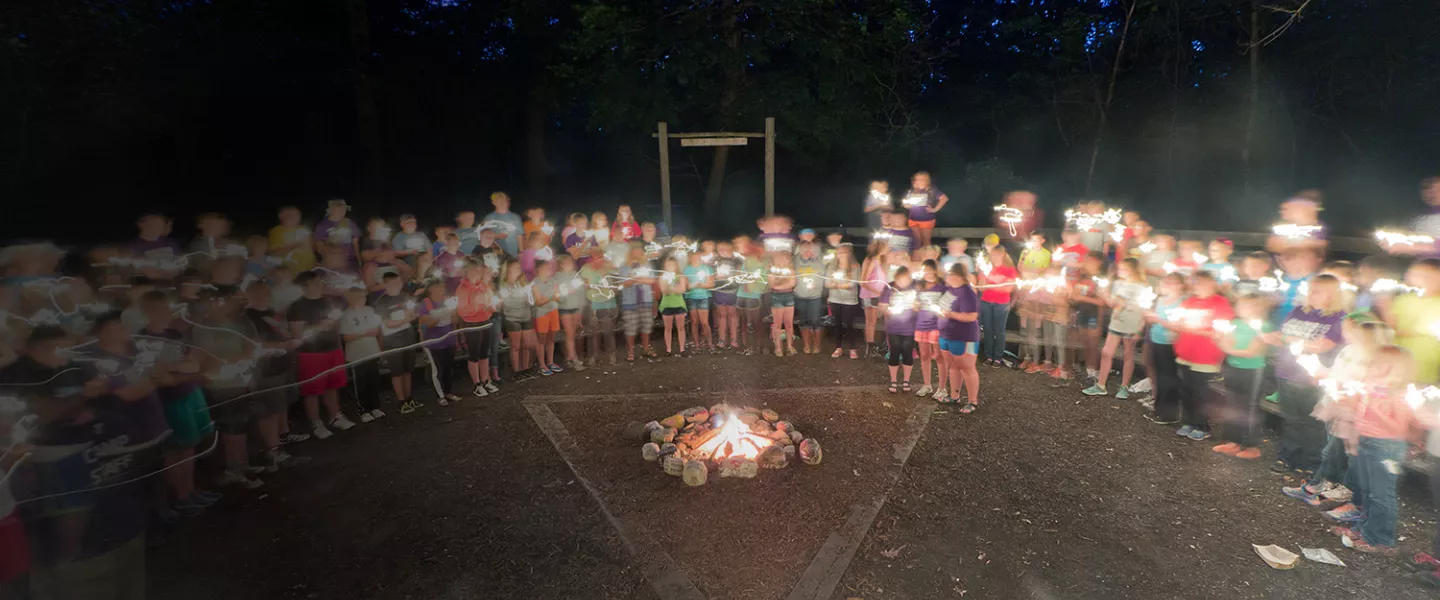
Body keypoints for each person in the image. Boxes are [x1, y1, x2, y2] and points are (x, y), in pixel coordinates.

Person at [1283, 315, 1389, 505]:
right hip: (1336, 406)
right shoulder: (1348, 351)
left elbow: (1361, 384)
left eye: (1352, 331)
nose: (1347, 334)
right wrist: (1318, 370)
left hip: (1353, 413)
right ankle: (1322, 487)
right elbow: (1336, 371)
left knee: (1337, 452)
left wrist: (1339, 383)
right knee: (1332, 449)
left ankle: (1325, 490)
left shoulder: (1374, 359)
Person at [1338, 346, 1423, 554]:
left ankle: (1380, 538)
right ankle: (1365, 528)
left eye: (1379, 363)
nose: (1372, 366)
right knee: (1367, 490)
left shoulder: (1401, 394)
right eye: (1373, 362)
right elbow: (1360, 410)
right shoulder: (1374, 387)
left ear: (1398, 369)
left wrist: (1375, 409)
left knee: (1381, 494)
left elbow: (1399, 429)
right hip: (1367, 441)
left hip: (1387, 447)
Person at [1266, 274, 1346, 473]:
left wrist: (1287, 338)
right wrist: (1279, 338)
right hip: (1286, 371)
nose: (1311, 295)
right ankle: (1288, 456)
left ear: (1332, 294)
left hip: (1312, 377)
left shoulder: (1338, 317)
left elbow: (1323, 346)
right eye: (1310, 290)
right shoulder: (1298, 311)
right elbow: (1280, 337)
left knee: (1313, 422)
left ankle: (1312, 462)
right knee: (1291, 418)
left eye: (1317, 291)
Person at [287, 270, 354, 439]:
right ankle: (316, 422)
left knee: (333, 385)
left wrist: (339, 347)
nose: (321, 285)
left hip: (332, 349)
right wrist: (318, 327)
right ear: (306, 285)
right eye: (316, 282)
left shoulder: (327, 301)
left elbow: (336, 325)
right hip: (311, 354)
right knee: (312, 389)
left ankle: (335, 415)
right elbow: (296, 335)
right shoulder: (297, 306)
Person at [1170, 270, 1234, 441]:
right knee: (1186, 389)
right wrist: (1177, 324)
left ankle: (1202, 425)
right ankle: (1188, 421)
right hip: (1186, 351)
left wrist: (1194, 330)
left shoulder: (1220, 303)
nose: (1197, 287)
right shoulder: (1189, 302)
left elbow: (1218, 332)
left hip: (1205, 354)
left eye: (1201, 284)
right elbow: (1178, 322)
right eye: (1195, 283)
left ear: (1212, 284)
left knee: (1200, 391)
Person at [1211, 294, 1274, 460]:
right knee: (1232, 403)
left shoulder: (1263, 327)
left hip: (1252, 371)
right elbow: (1224, 341)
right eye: (1241, 306)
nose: (1243, 310)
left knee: (1250, 407)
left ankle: (1252, 445)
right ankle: (1233, 441)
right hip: (1233, 368)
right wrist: (1222, 341)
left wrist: (1228, 348)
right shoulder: (1235, 324)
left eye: (1248, 306)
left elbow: (1252, 352)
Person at [1083, 258, 1147, 398]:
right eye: (1119, 269)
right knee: (1106, 352)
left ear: (1132, 270)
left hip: (1131, 323)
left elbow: (1116, 304)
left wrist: (1104, 294)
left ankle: (1124, 387)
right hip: (1116, 323)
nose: (1119, 271)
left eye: (1123, 269)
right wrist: (1105, 291)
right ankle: (1101, 385)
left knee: (1127, 354)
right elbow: (1112, 301)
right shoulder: (1118, 283)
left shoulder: (1139, 286)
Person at [937, 263, 981, 412]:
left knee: (967, 368)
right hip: (946, 334)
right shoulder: (949, 289)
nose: (947, 277)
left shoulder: (967, 293)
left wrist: (951, 314)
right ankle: (954, 396)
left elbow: (972, 316)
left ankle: (972, 401)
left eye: (950, 274)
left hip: (964, 336)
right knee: (953, 366)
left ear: (958, 276)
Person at [339, 287, 385, 421]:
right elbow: (345, 337)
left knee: (373, 380)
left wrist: (379, 342)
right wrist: (363, 333)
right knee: (360, 382)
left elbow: (377, 329)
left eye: (365, 297)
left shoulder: (369, 310)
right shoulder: (346, 315)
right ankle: (363, 409)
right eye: (361, 297)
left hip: (371, 350)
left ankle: (375, 407)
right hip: (356, 354)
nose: (364, 300)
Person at [456, 261, 498, 396]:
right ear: (467, 271)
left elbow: (491, 304)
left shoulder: (484, 286)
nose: (477, 274)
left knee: (484, 353)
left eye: (479, 271)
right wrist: (475, 304)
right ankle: (476, 383)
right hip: (472, 324)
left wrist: (490, 307)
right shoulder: (463, 289)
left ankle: (485, 380)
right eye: (474, 270)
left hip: (485, 321)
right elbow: (462, 312)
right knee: (474, 354)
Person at [498, 259, 542, 379]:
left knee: (526, 345)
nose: (519, 270)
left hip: (526, 316)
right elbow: (507, 304)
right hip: (512, 319)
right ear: (508, 270)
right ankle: (516, 371)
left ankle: (526, 368)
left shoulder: (523, 283)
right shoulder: (504, 286)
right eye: (516, 268)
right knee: (516, 346)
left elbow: (530, 302)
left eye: (519, 268)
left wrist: (530, 295)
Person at [417, 281, 459, 406]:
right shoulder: (425, 304)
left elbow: (456, 319)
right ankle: (440, 395)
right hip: (434, 342)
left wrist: (452, 313)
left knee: (448, 367)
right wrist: (436, 319)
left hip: (449, 339)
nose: (441, 290)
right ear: (430, 289)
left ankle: (449, 392)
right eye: (437, 287)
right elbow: (425, 323)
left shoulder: (448, 301)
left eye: (442, 287)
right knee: (437, 369)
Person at [913, 260, 949, 399]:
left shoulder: (942, 286)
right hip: (921, 324)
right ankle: (927, 384)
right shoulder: (919, 286)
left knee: (939, 356)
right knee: (924, 354)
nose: (927, 273)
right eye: (924, 270)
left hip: (937, 325)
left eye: (929, 270)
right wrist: (914, 305)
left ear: (935, 270)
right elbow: (916, 305)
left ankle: (942, 387)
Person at [977, 247, 1017, 368]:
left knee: (999, 331)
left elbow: (1008, 289)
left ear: (1003, 255)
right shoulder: (986, 269)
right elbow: (981, 288)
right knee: (988, 330)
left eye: (997, 254)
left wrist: (990, 286)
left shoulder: (1009, 270)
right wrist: (994, 284)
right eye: (993, 254)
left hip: (1001, 303)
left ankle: (998, 357)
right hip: (986, 302)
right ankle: (989, 356)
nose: (994, 257)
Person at [879, 266, 918, 393]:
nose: (904, 283)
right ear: (896, 279)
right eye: (901, 280)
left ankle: (906, 380)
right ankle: (894, 380)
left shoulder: (914, 289)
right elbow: (882, 307)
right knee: (894, 350)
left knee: (908, 351)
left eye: (906, 280)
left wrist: (915, 306)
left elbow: (919, 307)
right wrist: (889, 310)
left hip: (910, 327)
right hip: (894, 327)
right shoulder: (889, 288)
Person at [579, 247, 619, 366]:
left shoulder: (608, 268)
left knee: (608, 331)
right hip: (593, 302)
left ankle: (611, 354)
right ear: (592, 258)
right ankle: (593, 356)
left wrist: (613, 290)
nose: (599, 260)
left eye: (601, 257)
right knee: (593, 332)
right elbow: (583, 286)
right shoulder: (585, 269)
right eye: (597, 257)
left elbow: (615, 284)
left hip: (607, 302)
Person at [617, 247, 657, 362]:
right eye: (634, 251)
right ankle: (630, 351)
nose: (637, 253)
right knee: (631, 328)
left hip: (646, 300)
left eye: (639, 251)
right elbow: (624, 283)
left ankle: (646, 348)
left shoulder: (647, 265)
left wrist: (636, 279)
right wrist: (639, 279)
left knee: (646, 326)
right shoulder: (624, 266)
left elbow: (652, 280)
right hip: (630, 301)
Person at [827, 245, 863, 359]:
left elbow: (852, 284)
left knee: (849, 324)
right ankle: (838, 347)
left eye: (844, 253)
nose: (841, 255)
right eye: (839, 253)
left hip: (849, 301)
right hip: (835, 299)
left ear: (849, 254)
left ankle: (852, 348)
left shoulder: (855, 266)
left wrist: (836, 284)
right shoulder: (832, 267)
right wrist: (841, 284)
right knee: (837, 324)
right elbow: (827, 283)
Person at [552, 255, 587, 371]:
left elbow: (581, 295)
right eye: (565, 263)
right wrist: (567, 292)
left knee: (573, 334)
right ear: (560, 265)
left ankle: (569, 357)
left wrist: (580, 312)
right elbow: (558, 296)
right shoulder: (556, 278)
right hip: (565, 308)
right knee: (569, 334)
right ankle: (574, 358)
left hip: (576, 308)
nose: (569, 265)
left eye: (570, 263)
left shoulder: (576, 276)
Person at [530, 259, 563, 374]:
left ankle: (550, 362)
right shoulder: (534, 284)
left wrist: (551, 297)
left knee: (551, 338)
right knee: (541, 339)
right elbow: (538, 301)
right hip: (541, 314)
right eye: (546, 268)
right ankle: (541, 364)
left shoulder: (552, 281)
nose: (549, 270)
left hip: (553, 310)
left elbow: (558, 296)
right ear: (539, 270)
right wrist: (550, 297)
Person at [793, 241, 826, 355]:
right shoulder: (795, 260)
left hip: (815, 296)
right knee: (803, 321)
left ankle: (817, 345)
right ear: (800, 250)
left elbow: (823, 275)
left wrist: (817, 285)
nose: (808, 252)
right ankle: (807, 345)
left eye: (810, 250)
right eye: (805, 250)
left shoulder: (818, 261)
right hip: (800, 295)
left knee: (816, 321)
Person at [859, 238, 890, 357]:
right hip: (870, 295)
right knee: (871, 322)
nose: (888, 248)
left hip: (880, 295)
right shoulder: (870, 260)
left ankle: (885, 345)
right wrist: (877, 291)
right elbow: (863, 281)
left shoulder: (882, 261)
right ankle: (870, 348)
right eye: (886, 246)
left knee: (885, 319)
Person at [902, 171, 948, 249]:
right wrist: (906, 205)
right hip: (912, 219)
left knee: (926, 240)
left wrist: (935, 209)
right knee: (916, 240)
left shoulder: (932, 190)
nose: (919, 181)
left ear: (927, 180)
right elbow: (905, 202)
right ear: (914, 180)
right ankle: (916, 257)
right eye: (918, 179)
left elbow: (944, 198)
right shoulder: (910, 191)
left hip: (926, 219)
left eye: (922, 179)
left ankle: (927, 258)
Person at [712, 241, 743, 350]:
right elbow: (710, 274)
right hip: (720, 291)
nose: (723, 251)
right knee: (721, 315)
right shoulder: (715, 261)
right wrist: (716, 277)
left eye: (726, 248)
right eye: (720, 249)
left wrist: (733, 275)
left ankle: (734, 339)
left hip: (733, 291)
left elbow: (740, 273)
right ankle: (722, 339)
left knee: (733, 315)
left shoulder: (737, 260)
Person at [683, 250, 716, 353]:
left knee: (704, 322)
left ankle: (710, 344)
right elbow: (685, 286)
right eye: (694, 256)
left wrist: (700, 285)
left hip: (703, 297)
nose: (696, 258)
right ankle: (697, 345)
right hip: (691, 297)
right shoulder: (686, 269)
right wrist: (691, 286)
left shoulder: (706, 268)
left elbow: (711, 284)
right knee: (694, 322)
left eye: (698, 257)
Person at [268, 206, 316, 272]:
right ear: (281, 216)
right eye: (293, 215)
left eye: (298, 215)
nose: (297, 217)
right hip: (289, 271)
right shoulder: (277, 231)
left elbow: (313, 248)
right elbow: (273, 253)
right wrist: (294, 246)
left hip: (309, 270)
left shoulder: (304, 229)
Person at [657, 256, 689, 356]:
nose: (671, 266)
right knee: (668, 328)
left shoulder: (680, 276)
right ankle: (668, 349)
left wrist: (673, 287)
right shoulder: (662, 277)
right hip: (667, 305)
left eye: (673, 265)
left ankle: (682, 349)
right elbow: (665, 292)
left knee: (681, 327)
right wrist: (669, 285)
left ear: (676, 266)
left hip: (679, 304)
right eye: (669, 265)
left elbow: (682, 290)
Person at [767, 252, 797, 356]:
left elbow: (792, 283)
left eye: (784, 258)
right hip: (776, 297)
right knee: (777, 324)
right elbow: (771, 285)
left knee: (789, 323)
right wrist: (784, 283)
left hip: (789, 296)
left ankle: (790, 346)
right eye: (779, 258)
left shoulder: (791, 270)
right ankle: (778, 347)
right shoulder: (772, 270)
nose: (782, 261)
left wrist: (778, 283)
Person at [314, 199, 360, 266]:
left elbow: (356, 245)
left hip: (350, 261)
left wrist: (359, 261)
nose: (342, 211)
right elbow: (319, 247)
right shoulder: (322, 226)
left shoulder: (351, 223)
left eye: (344, 209)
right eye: (339, 209)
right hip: (332, 261)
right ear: (331, 210)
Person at [483, 192, 525, 256]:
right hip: (496, 254)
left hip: (513, 254)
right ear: (494, 203)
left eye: (505, 199)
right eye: (500, 200)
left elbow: (519, 235)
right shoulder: (489, 218)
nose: (504, 202)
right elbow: (484, 237)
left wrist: (521, 252)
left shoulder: (515, 217)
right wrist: (497, 236)